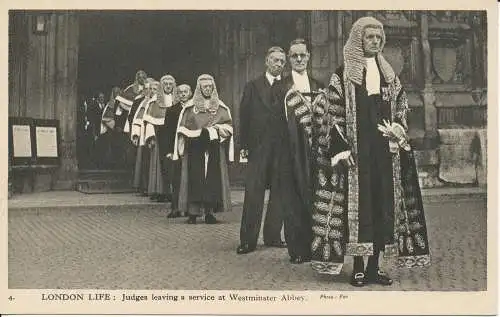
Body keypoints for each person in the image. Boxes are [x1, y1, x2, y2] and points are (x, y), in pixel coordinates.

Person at [288, 16, 431, 286]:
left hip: (384, 154)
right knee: (357, 210)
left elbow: (401, 106)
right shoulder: (343, 75)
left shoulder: (390, 75)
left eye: (379, 38)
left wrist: (399, 128)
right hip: (357, 154)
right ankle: (358, 267)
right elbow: (329, 112)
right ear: (358, 40)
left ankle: (376, 266)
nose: (375, 42)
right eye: (369, 38)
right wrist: (341, 148)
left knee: (382, 207)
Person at [270, 39, 325, 264]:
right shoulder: (280, 87)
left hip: (314, 151)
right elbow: (273, 123)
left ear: (309, 57)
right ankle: (297, 249)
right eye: (295, 56)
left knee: (314, 197)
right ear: (289, 59)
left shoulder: (318, 85)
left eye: (303, 55)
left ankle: (314, 245)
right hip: (289, 152)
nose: (299, 59)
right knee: (292, 201)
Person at [237, 46, 288, 255]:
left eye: (282, 62)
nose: (279, 64)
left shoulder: (288, 86)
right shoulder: (252, 86)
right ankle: (248, 240)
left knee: (280, 192)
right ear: (266, 61)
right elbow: (244, 117)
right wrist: (244, 147)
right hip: (258, 147)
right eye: (275, 60)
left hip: (282, 148)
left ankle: (273, 235)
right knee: (254, 193)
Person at [172, 74, 234, 224]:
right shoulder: (190, 108)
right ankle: (193, 213)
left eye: (210, 86)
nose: (208, 89)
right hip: (195, 148)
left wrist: (216, 129)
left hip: (213, 148)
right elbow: (182, 128)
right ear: (199, 88)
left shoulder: (220, 106)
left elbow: (228, 126)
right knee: (194, 178)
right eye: (205, 86)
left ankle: (209, 213)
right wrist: (185, 143)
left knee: (212, 180)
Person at [161, 83, 192, 218]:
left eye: (186, 92)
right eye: (180, 92)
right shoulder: (172, 110)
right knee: (176, 178)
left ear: (190, 93)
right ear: (177, 95)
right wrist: (169, 150)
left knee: (191, 179)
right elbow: (167, 132)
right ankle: (175, 208)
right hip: (176, 149)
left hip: (191, 149)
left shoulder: (194, 109)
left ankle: (191, 209)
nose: (183, 94)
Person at [143, 77, 177, 202]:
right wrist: (150, 137)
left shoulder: (178, 100)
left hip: (174, 135)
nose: (168, 86)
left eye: (170, 84)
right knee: (159, 164)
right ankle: (161, 192)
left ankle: (174, 192)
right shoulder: (154, 101)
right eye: (166, 84)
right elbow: (149, 122)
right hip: (159, 136)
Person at [131, 79, 154, 196]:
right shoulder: (143, 102)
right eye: (149, 89)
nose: (151, 91)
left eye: (154, 89)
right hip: (144, 137)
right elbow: (136, 119)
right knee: (145, 162)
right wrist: (136, 134)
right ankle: (145, 187)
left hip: (158, 139)